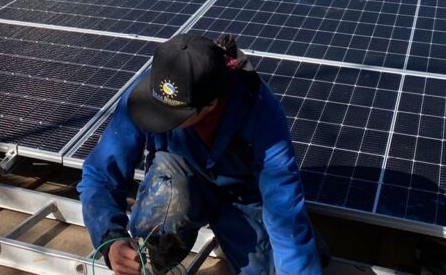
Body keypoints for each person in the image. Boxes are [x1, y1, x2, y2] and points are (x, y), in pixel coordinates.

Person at [78, 33, 327, 275]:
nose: (159, 118)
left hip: (242, 195)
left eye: (172, 116)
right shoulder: (146, 95)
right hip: (177, 181)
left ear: (210, 105)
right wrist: (111, 239)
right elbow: (101, 172)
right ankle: (153, 262)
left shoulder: (259, 110)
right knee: (167, 195)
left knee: (288, 261)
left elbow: (282, 199)